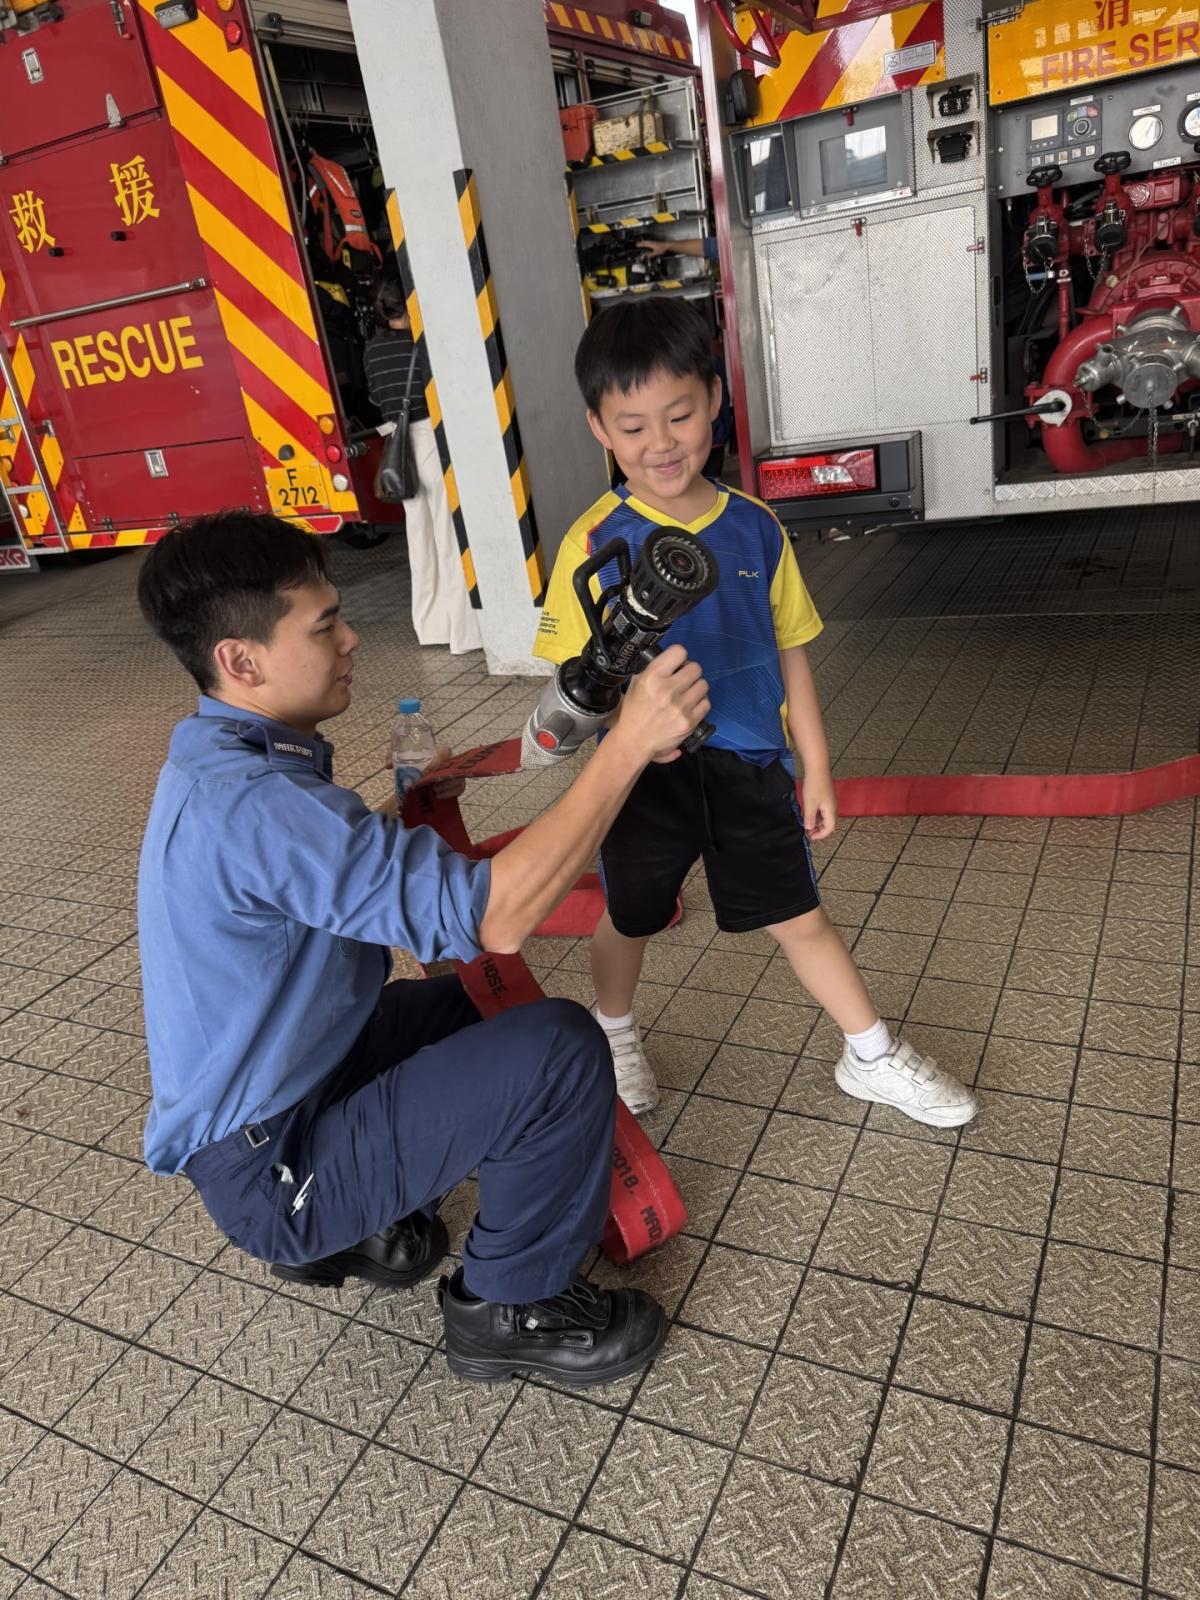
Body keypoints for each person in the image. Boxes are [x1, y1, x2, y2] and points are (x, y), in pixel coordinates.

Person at [135, 511, 709, 1386]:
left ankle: (362, 1225)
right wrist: (627, 746)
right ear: (241, 661)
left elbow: (314, 873)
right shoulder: (257, 806)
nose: (351, 639)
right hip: (271, 1163)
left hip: (301, 1078)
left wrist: (403, 816)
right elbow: (497, 920)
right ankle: (509, 1309)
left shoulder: (223, 754)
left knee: (479, 1008)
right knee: (558, 1048)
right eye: (325, 625)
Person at [533, 299, 977, 1129]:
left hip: (750, 766)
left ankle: (870, 1054)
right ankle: (614, 1032)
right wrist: (622, 735)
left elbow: (791, 650)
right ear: (598, 429)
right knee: (628, 915)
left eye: (679, 415)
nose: (660, 443)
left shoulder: (756, 527)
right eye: (632, 427)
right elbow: (579, 682)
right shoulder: (591, 542)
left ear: (714, 399)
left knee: (800, 917)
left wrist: (817, 767)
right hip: (641, 778)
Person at [363, 274, 482, 655]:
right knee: (449, 537)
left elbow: (376, 396)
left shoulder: (372, 350)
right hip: (431, 438)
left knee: (419, 538)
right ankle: (464, 633)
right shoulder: (423, 345)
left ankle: (431, 627)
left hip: (397, 446)